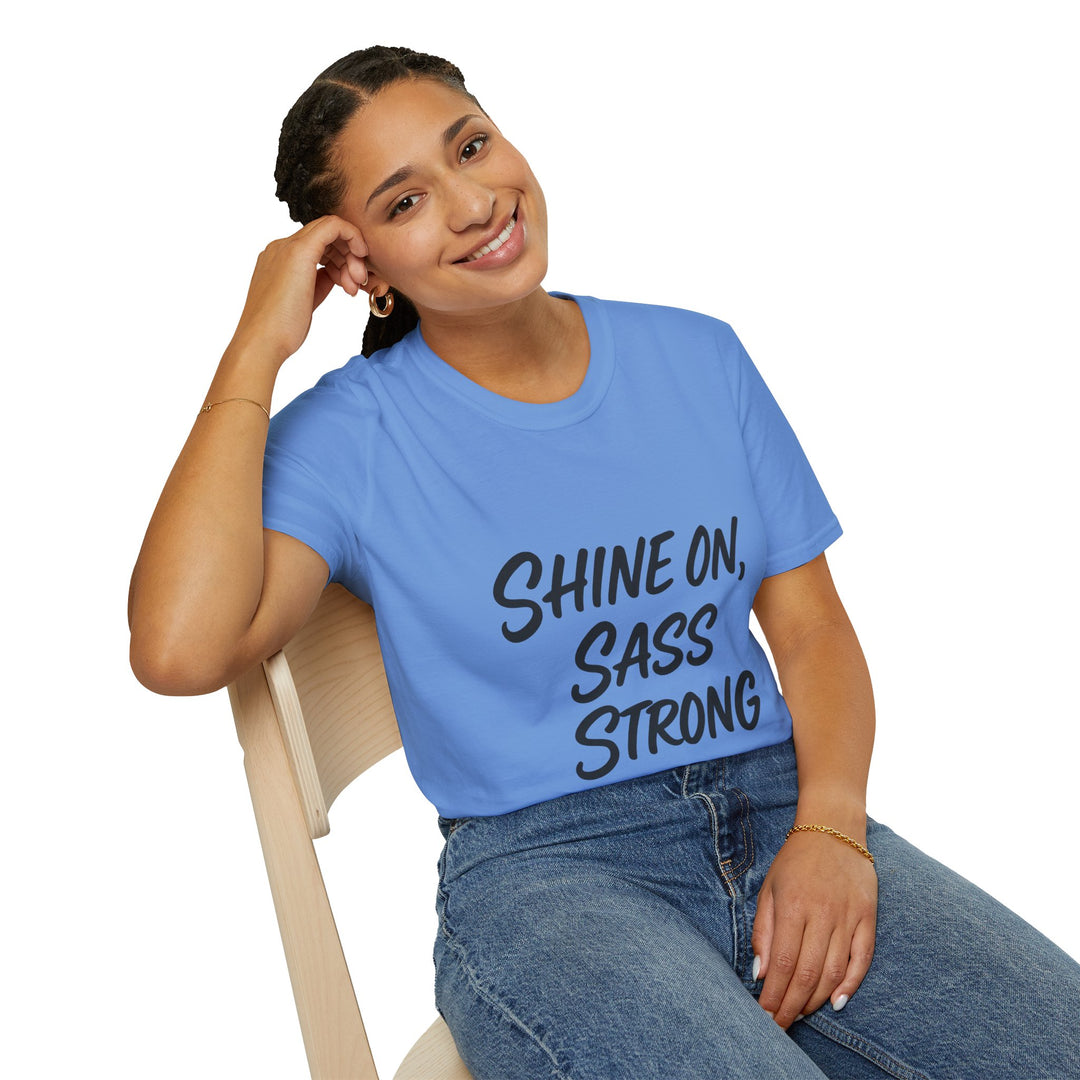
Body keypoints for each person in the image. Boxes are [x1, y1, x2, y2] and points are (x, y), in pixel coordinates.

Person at [129, 46, 1080, 1079]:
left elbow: (810, 632)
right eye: (406, 203)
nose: (474, 202)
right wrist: (255, 345)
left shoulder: (699, 357)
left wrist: (834, 830)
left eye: (473, 147)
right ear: (361, 268)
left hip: (784, 810)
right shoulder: (352, 435)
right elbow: (179, 648)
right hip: (550, 876)